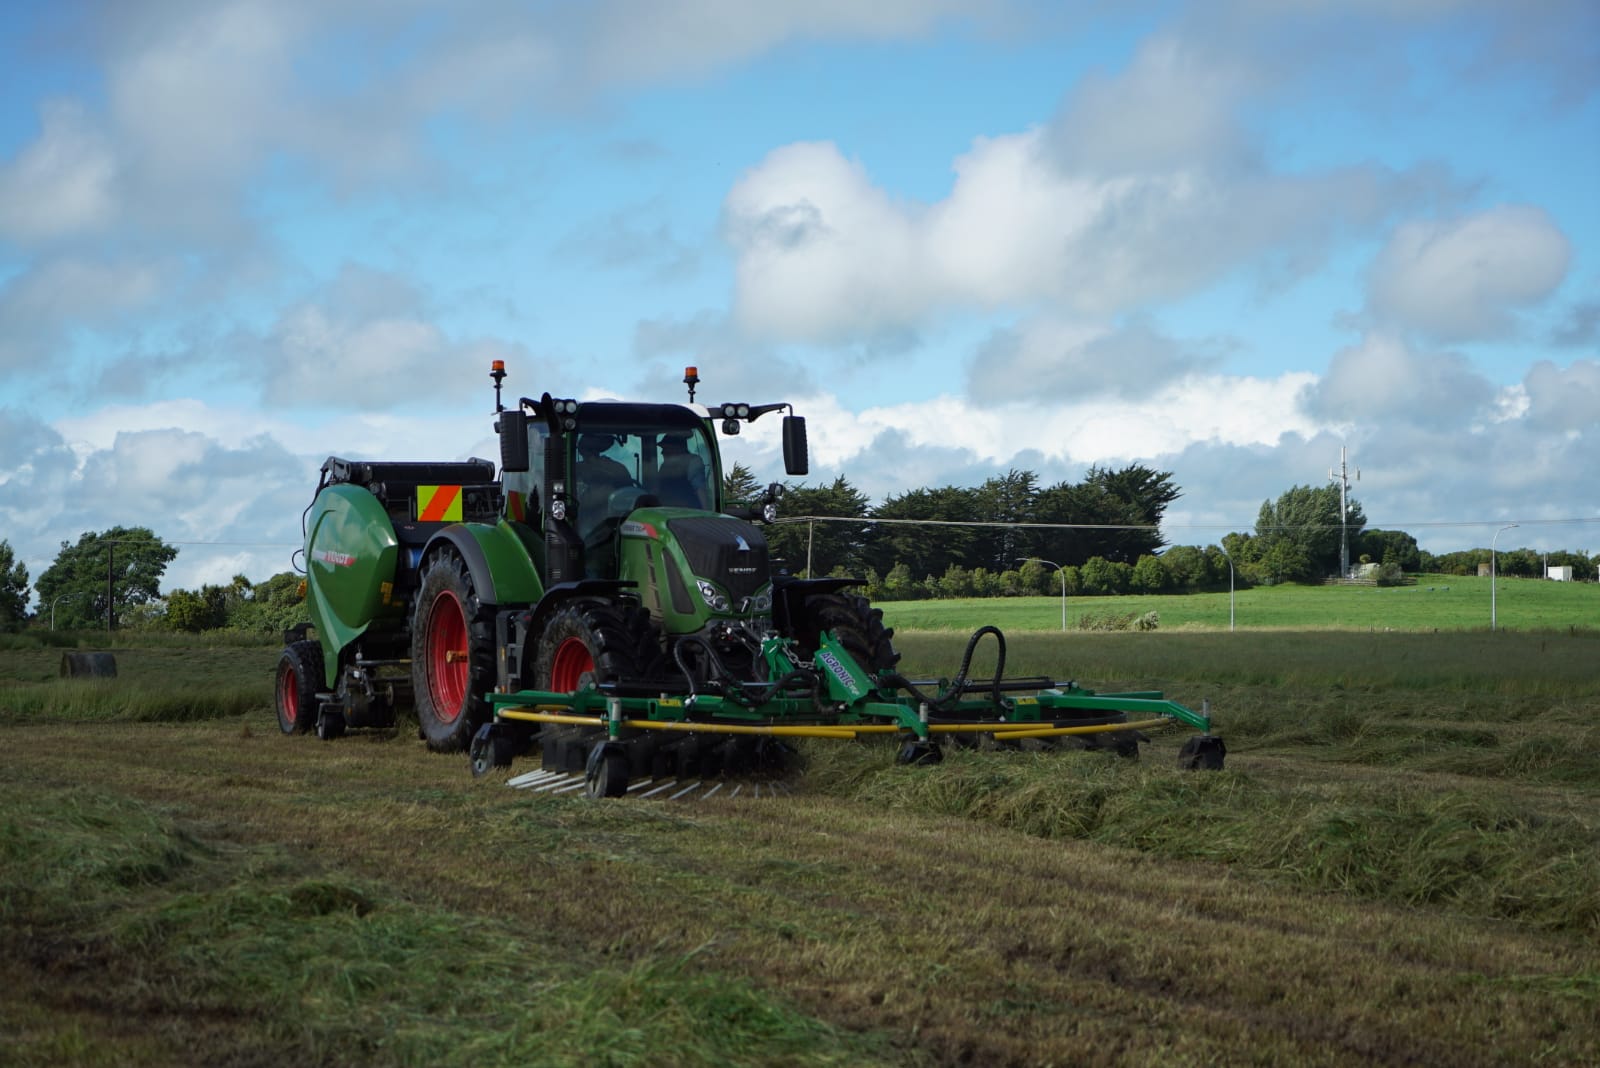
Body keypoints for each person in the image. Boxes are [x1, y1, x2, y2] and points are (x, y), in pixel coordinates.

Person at [654, 431, 707, 508]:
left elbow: (700, 490)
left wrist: (705, 514)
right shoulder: (664, 467)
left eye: (666, 448)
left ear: (678, 448)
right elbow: (657, 490)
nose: (662, 452)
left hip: (688, 513)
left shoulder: (692, 462)